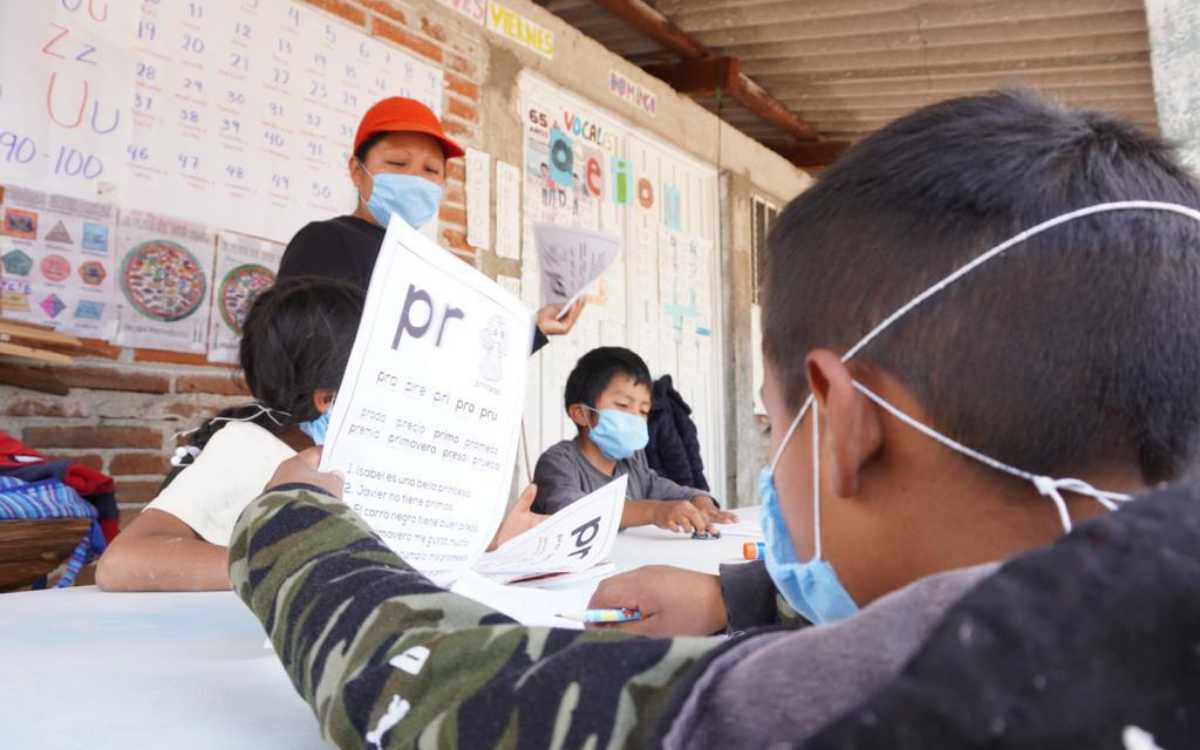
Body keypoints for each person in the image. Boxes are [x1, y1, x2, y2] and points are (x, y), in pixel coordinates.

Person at [224, 90, 1200, 747]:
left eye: (777, 424)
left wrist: (292, 527)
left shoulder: (941, 678)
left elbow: (438, 686)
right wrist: (748, 598)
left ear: (846, 426)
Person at [95, 278, 545, 592]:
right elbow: (122, 563)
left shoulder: (356, 460)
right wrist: (283, 567)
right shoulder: (246, 446)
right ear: (328, 398)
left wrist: (495, 544)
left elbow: (391, 558)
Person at [278, 96, 583, 349]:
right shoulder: (325, 242)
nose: (415, 178)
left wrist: (534, 329)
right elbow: (299, 351)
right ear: (357, 171)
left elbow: (458, 357)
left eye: (431, 170)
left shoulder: (431, 264)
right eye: (398, 163)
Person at [531, 347, 734, 533]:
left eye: (643, 411)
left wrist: (705, 507)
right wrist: (653, 511)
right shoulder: (558, 462)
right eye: (622, 405)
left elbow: (683, 493)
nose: (636, 418)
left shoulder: (633, 469)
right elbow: (575, 513)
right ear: (581, 414)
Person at [645, 374, 709, 491]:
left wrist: (698, 495)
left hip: (674, 493)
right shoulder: (665, 403)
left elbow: (679, 457)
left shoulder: (659, 411)